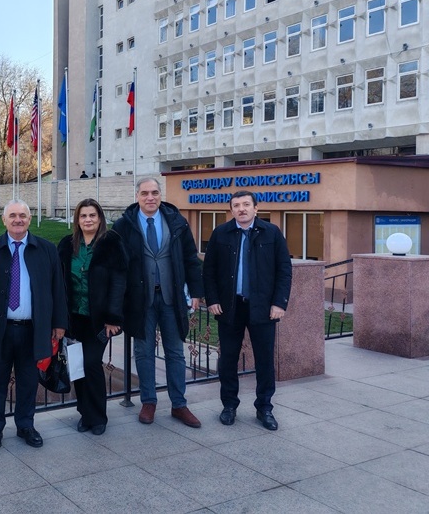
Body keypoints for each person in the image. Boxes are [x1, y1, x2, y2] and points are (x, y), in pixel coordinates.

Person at [0, 200, 67, 450]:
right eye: (12, 215)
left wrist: (59, 323)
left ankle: (25, 425)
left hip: (33, 329)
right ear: (4, 220)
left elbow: (58, 288)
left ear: (30, 219)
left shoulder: (46, 249)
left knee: (28, 381)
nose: (18, 220)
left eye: (22, 215)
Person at [112, 177, 204, 428]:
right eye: (144, 193)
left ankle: (179, 404)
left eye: (154, 192)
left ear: (160, 195)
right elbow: (116, 266)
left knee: (175, 352)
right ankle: (148, 402)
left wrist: (196, 292)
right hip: (140, 300)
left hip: (171, 298)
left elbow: (190, 258)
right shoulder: (123, 225)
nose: (150, 197)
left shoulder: (176, 221)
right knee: (143, 352)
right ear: (137, 196)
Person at [202, 190, 292, 431]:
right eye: (236, 205)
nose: (241, 209)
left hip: (263, 308)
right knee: (228, 360)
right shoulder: (221, 233)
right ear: (231, 210)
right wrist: (212, 299)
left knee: (265, 360)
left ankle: (264, 408)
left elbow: (284, 270)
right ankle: (229, 406)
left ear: (256, 208)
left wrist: (279, 303)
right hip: (229, 307)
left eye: (246, 204)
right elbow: (209, 270)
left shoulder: (271, 233)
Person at [58, 199, 127, 435]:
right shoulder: (67, 245)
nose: (88, 220)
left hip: (99, 320)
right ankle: (84, 413)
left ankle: (98, 417)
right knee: (77, 366)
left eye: (92, 215)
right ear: (77, 220)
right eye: (83, 216)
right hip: (73, 319)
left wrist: (113, 318)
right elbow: (58, 281)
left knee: (91, 364)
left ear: (100, 218)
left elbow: (119, 282)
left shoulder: (111, 242)